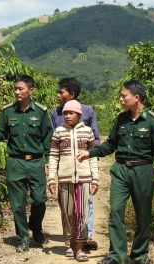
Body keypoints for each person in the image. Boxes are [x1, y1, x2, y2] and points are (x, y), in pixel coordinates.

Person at [75, 80, 154, 264]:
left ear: (136, 97)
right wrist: (90, 152)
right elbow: (111, 144)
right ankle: (116, 256)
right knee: (116, 211)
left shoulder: (153, 121)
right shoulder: (121, 119)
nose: (120, 99)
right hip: (120, 170)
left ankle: (139, 254)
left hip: (143, 170)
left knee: (143, 214)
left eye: (123, 95)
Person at [0, 75, 53, 252]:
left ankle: (35, 226)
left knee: (39, 199)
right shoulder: (8, 111)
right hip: (15, 163)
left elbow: (48, 138)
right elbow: (2, 132)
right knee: (17, 204)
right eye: (15, 88)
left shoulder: (40, 111)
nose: (16, 92)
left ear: (31, 90)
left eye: (20, 89)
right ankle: (22, 238)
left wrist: (48, 161)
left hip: (36, 162)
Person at [50, 77, 100, 251]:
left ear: (72, 94)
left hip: (84, 169)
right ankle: (70, 238)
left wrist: (94, 170)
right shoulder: (55, 113)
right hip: (65, 170)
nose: (58, 95)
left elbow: (95, 138)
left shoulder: (88, 111)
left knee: (86, 204)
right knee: (68, 207)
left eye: (61, 92)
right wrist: (52, 171)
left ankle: (87, 235)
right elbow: (53, 145)